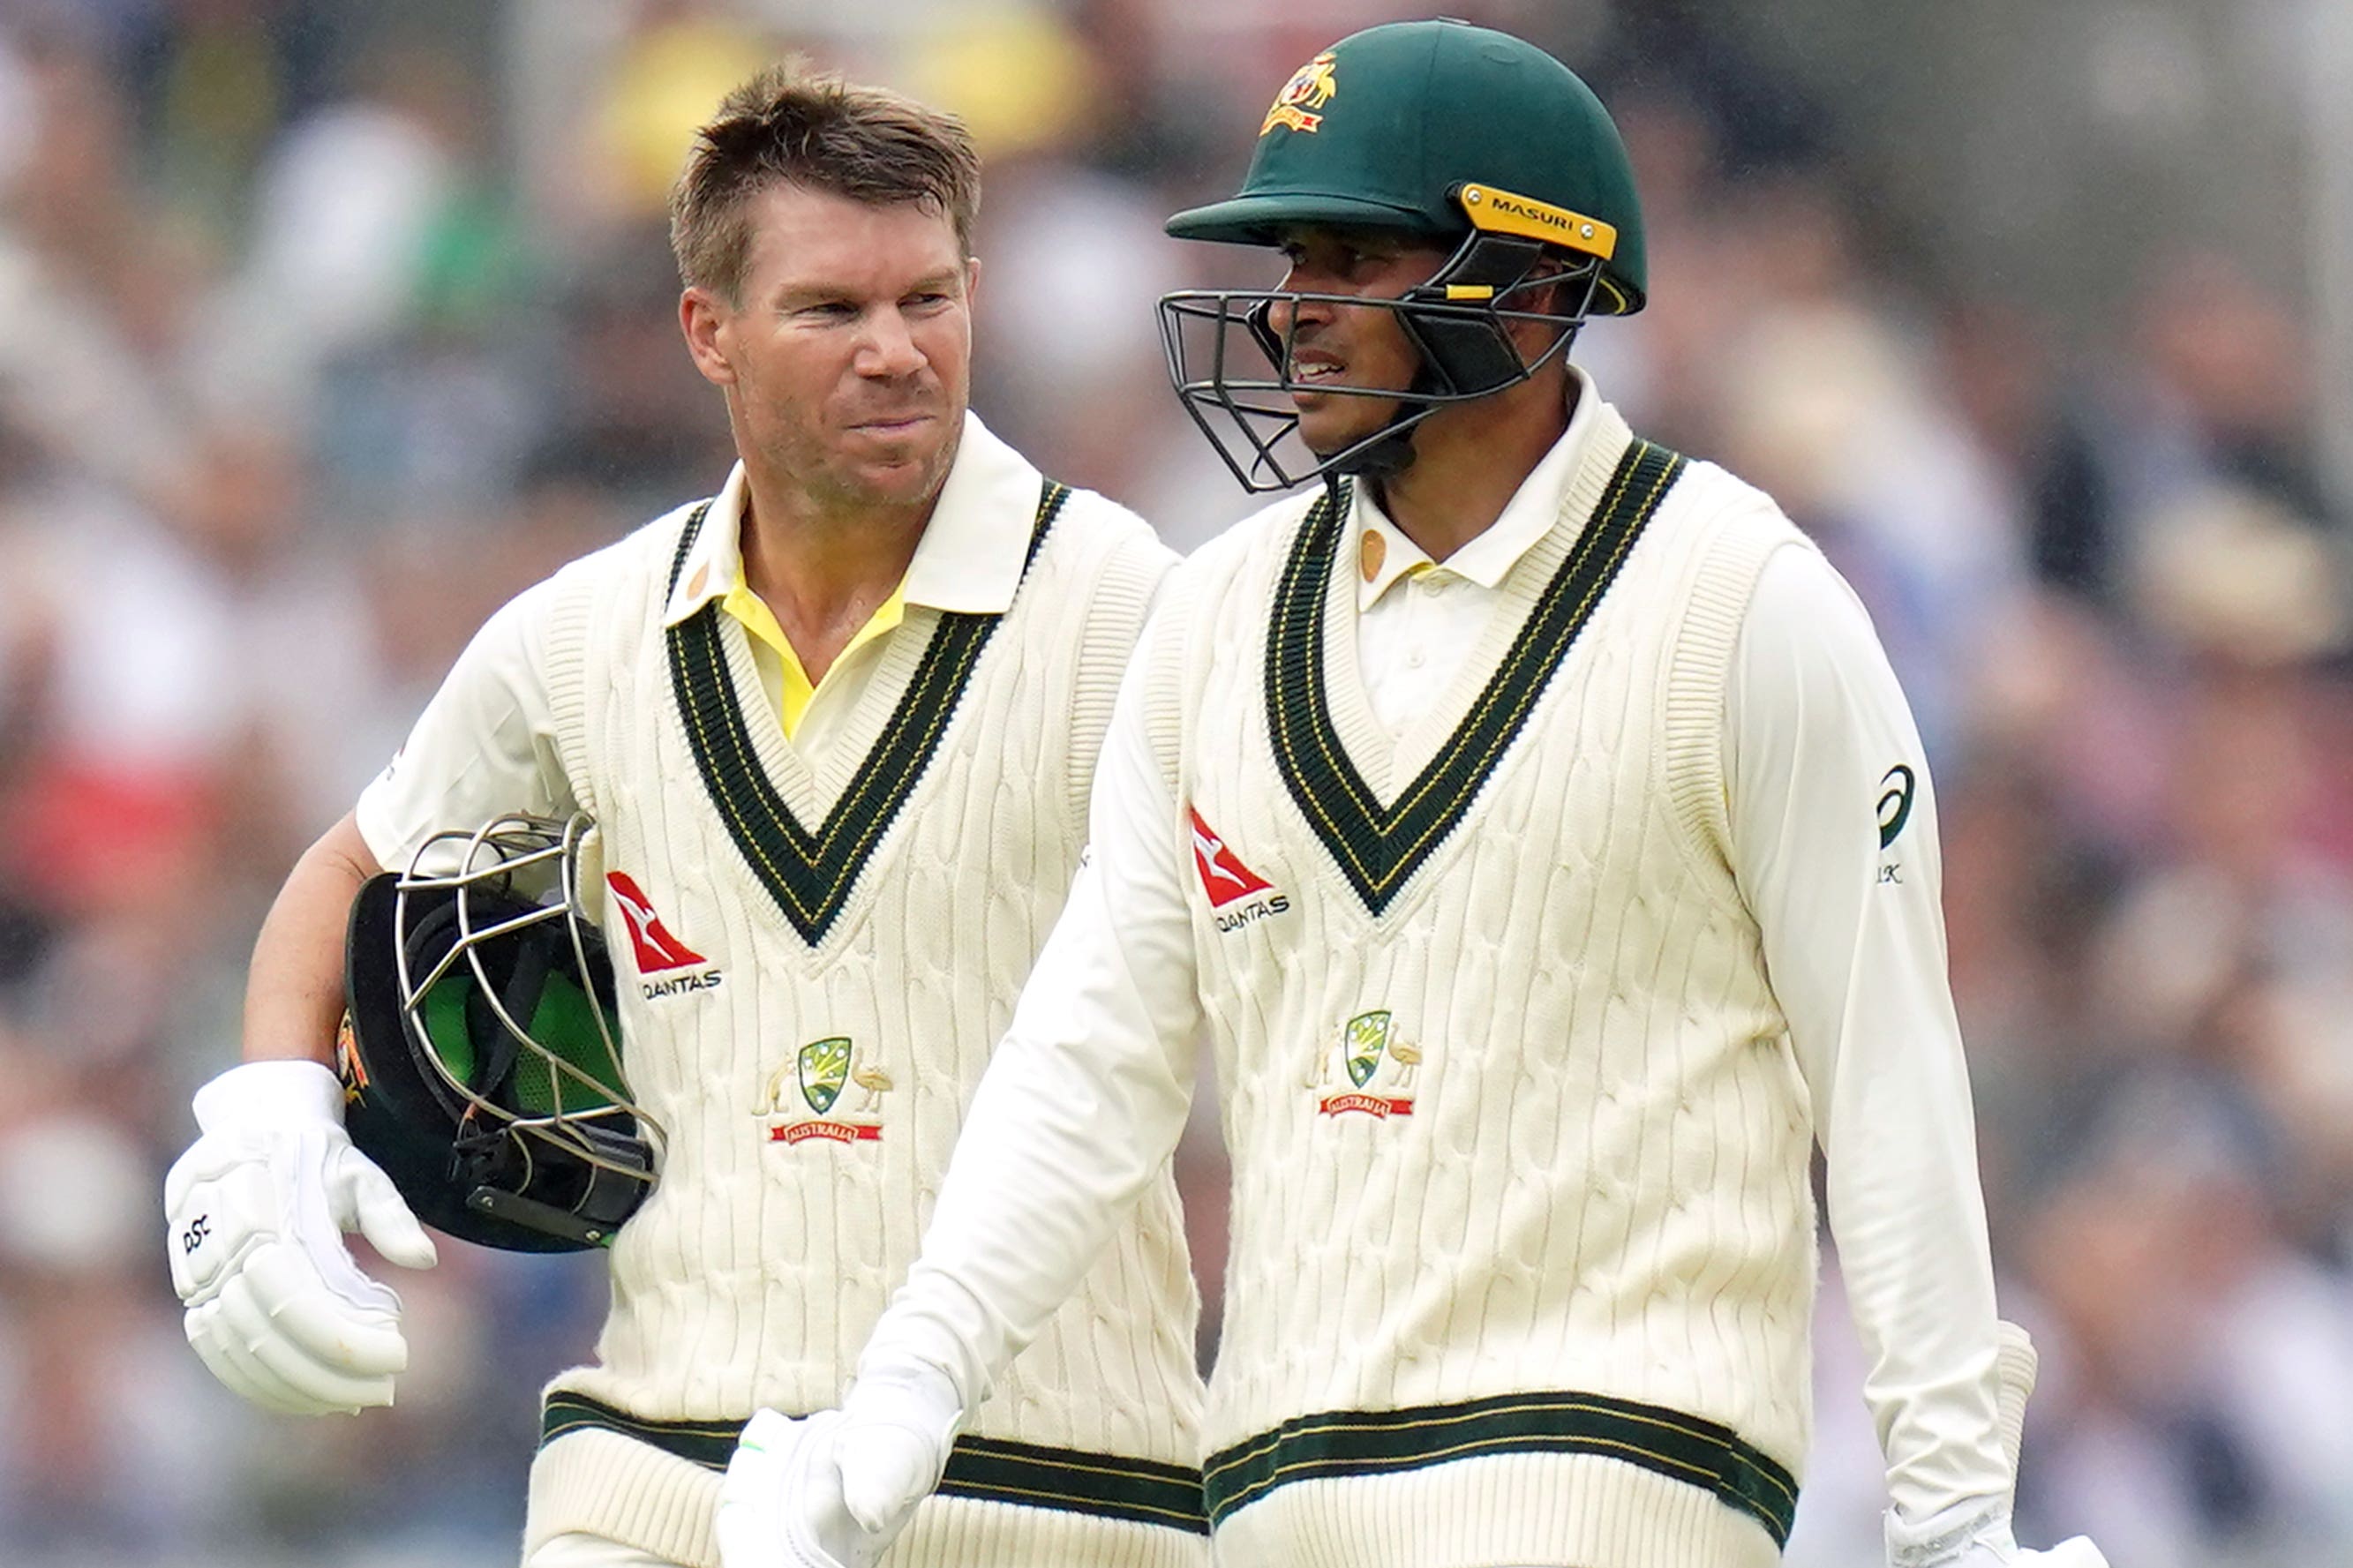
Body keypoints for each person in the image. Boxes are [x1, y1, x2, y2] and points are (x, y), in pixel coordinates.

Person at [713, 20, 2111, 1568]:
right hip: (1271, 1493)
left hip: (1607, 1476)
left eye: (1350, 260)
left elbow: (1888, 1075)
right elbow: (1089, 1058)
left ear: (1526, 287)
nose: (1293, 315)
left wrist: (1955, 1511)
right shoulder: (1214, 621)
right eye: (1286, 260)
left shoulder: (1737, 603)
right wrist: (912, 1382)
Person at [160, 61, 1209, 1568]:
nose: (895, 353)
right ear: (706, 333)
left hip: (1056, 1494)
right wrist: (268, 1110)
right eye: (830, 311)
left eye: (927, 299)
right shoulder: (580, 638)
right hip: (659, 1482)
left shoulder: (1138, 613)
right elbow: (356, 865)